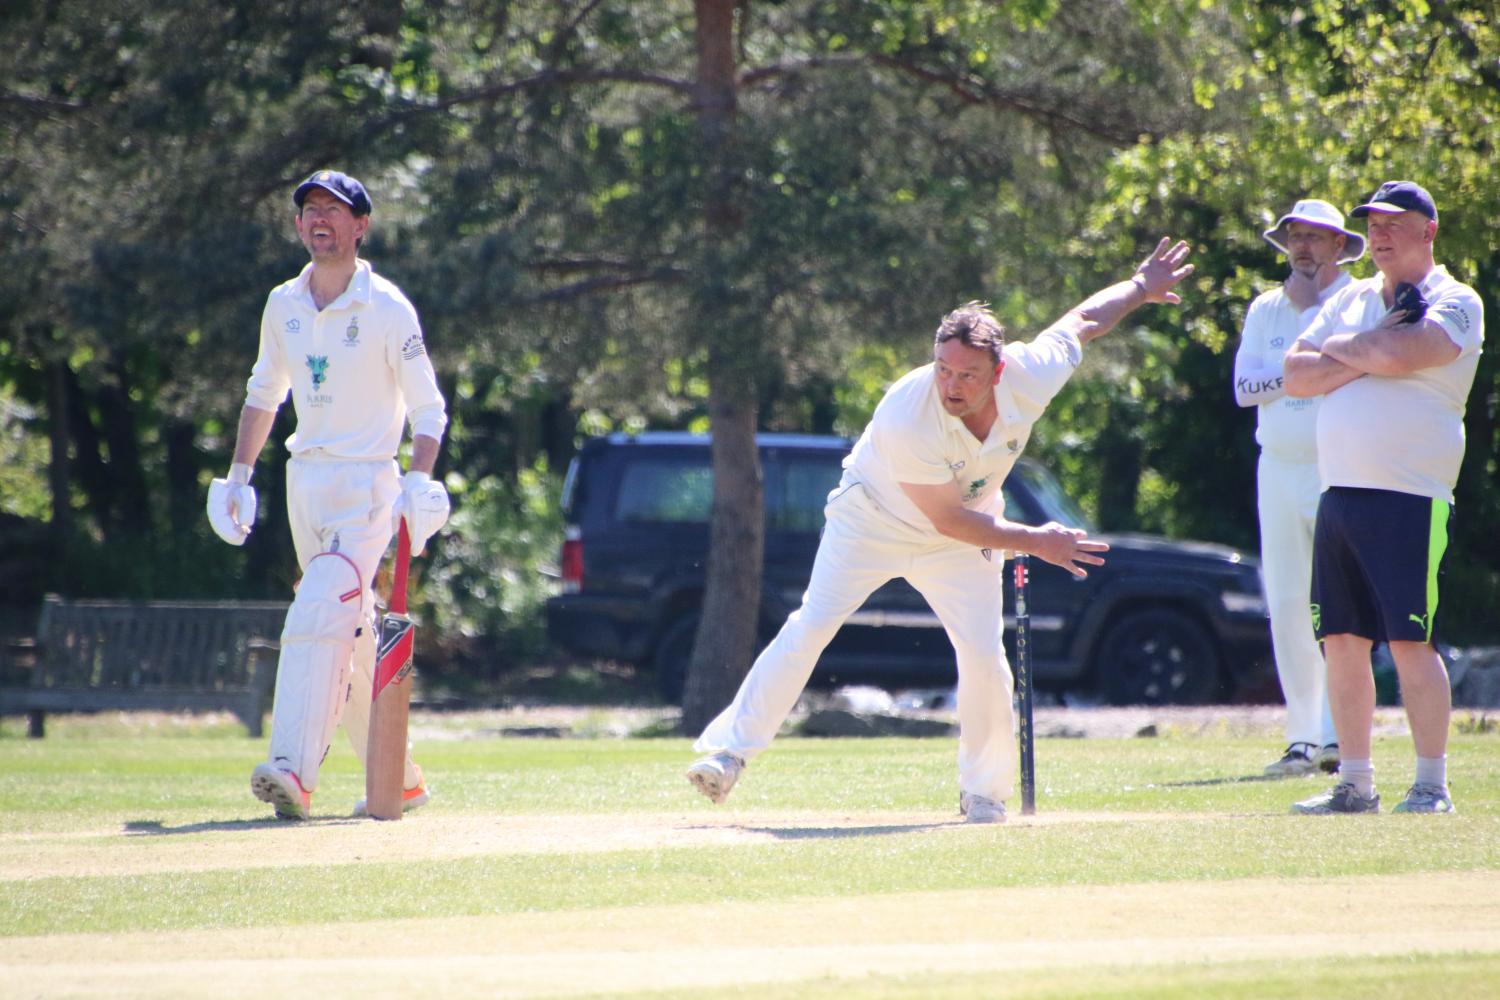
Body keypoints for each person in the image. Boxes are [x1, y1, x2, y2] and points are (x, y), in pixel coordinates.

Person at [686, 238, 1196, 823]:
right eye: (943, 368)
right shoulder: (909, 412)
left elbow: (1082, 322)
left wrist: (1139, 286)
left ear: (998, 371)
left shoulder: (1029, 375)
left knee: (983, 655)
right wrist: (1038, 541)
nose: (951, 384)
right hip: (873, 518)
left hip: (965, 527)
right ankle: (728, 754)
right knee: (812, 624)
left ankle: (982, 792)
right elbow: (946, 519)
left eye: (967, 375)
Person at [207, 170, 452, 820]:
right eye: (310, 210)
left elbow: (430, 410)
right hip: (304, 483)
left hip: (368, 482)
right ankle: (396, 776)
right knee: (347, 630)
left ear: (360, 226)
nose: (320, 220)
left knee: (320, 609)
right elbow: (266, 393)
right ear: (298, 226)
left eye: (334, 211)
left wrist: (420, 478)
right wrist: (238, 476)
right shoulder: (283, 303)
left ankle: (292, 769)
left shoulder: (387, 307)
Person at [1283, 181, 1484, 814]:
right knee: (1340, 640)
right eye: (1372, 222)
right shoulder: (1352, 300)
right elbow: (1295, 371)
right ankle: (1356, 782)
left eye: (1394, 222)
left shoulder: (1456, 299)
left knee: (1408, 642)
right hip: (1340, 492)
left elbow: (1412, 351)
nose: (1379, 233)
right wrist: (1370, 351)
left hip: (1410, 497)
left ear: (1428, 229)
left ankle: (1431, 784)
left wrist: (1352, 353)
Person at [1235, 199, 1365, 778]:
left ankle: (1342, 738)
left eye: (1317, 237)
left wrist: (1295, 373)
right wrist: (1300, 373)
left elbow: (1364, 371)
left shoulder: (1359, 301)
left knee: (1338, 601)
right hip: (1278, 466)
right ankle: (1302, 739)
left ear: (1340, 245)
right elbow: (1245, 388)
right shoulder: (1267, 308)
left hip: (1340, 464)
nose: (1304, 247)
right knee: (1287, 602)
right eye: (1296, 237)